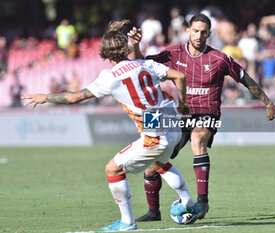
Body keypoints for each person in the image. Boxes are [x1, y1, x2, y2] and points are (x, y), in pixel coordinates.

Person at [22, 20, 200, 232]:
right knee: (159, 164)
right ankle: (189, 204)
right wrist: (183, 105)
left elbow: (74, 98)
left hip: (156, 135)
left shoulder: (109, 77)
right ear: (125, 49)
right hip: (173, 126)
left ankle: (127, 222)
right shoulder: (145, 64)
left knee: (112, 169)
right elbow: (179, 76)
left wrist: (46, 97)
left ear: (104, 55)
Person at [128, 13, 275, 221]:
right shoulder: (173, 53)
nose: (199, 36)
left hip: (207, 112)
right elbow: (141, 65)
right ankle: (154, 212)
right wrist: (136, 45)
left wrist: (268, 103)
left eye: (203, 32)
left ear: (209, 34)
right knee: (153, 163)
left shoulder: (219, 59)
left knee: (198, 139)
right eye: (196, 31)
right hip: (180, 114)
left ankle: (202, 201)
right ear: (188, 31)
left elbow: (245, 79)